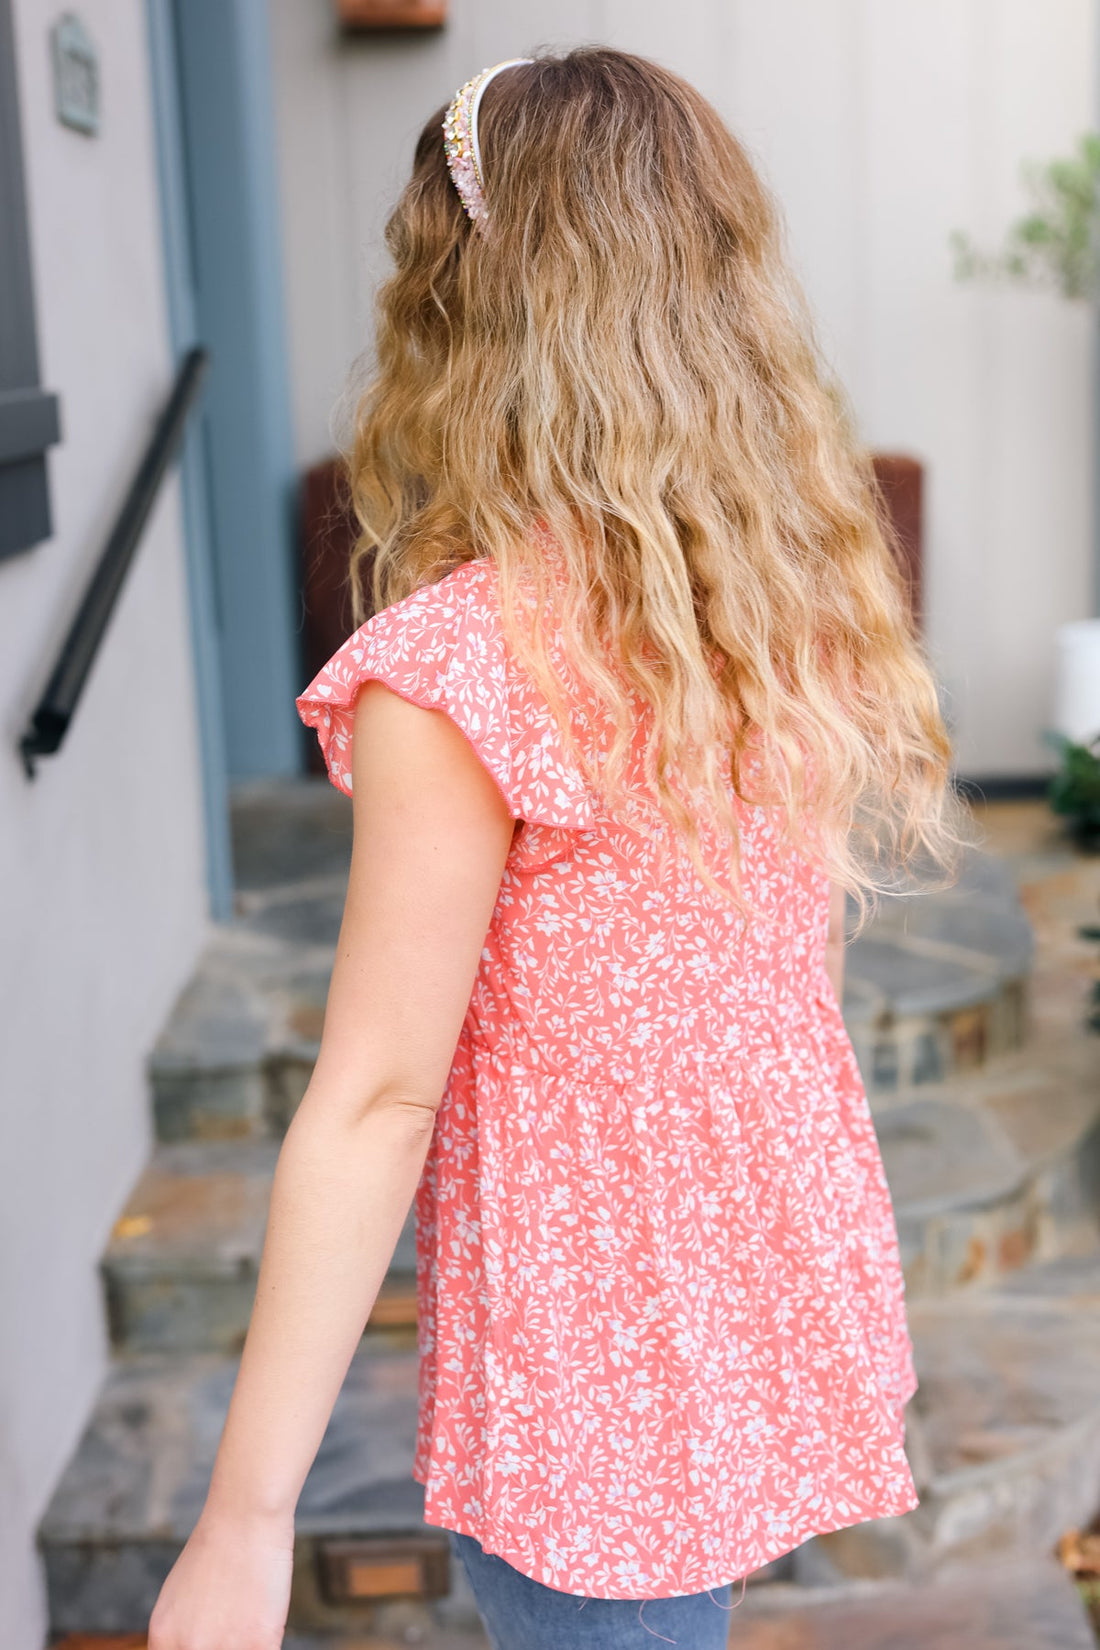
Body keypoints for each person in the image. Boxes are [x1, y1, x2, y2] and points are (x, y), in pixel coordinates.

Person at [149, 45, 963, 1650]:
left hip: (600, 1391)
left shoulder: (465, 666)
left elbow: (380, 1098)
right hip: (739, 1314)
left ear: (465, 316)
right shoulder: (765, 608)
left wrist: (242, 1525)